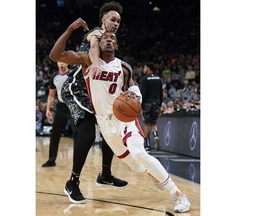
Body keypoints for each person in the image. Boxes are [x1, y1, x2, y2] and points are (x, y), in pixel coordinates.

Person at [49, 19, 191, 213]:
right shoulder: (87, 60)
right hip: (105, 124)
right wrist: (70, 29)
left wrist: (135, 98)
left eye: (112, 38)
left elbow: (133, 88)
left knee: (140, 153)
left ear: (116, 45)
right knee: (135, 165)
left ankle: (178, 194)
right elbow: (55, 55)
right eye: (105, 37)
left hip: (124, 119)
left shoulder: (124, 67)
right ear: (98, 44)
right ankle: (154, 173)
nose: (108, 39)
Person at [50, 1, 127, 204]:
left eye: (119, 20)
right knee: (87, 132)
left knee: (109, 125)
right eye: (113, 19)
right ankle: (72, 182)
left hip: (94, 89)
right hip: (77, 88)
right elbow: (93, 49)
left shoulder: (111, 41)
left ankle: (105, 175)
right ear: (103, 20)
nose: (116, 23)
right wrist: (95, 64)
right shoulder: (96, 34)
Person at [42, 61, 73, 167]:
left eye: (64, 61)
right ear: (57, 63)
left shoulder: (73, 74)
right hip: (61, 107)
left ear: (68, 63)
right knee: (55, 134)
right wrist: (48, 109)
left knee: (78, 134)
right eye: (59, 61)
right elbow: (51, 95)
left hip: (73, 107)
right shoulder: (54, 76)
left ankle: (78, 162)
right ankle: (51, 160)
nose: (62, 63)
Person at [139, 62, 163, 153]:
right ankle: (156, 135)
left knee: (147, 124)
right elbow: (160, 92)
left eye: (144, 67)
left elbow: (143, 94)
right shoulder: (158, 78)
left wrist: (141, 106)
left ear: (148, 68)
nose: (143, 69)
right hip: (156, 103)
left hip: (147, 104)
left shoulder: (144, 79)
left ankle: (147, 146)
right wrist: (160, 105)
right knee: (154, 123)